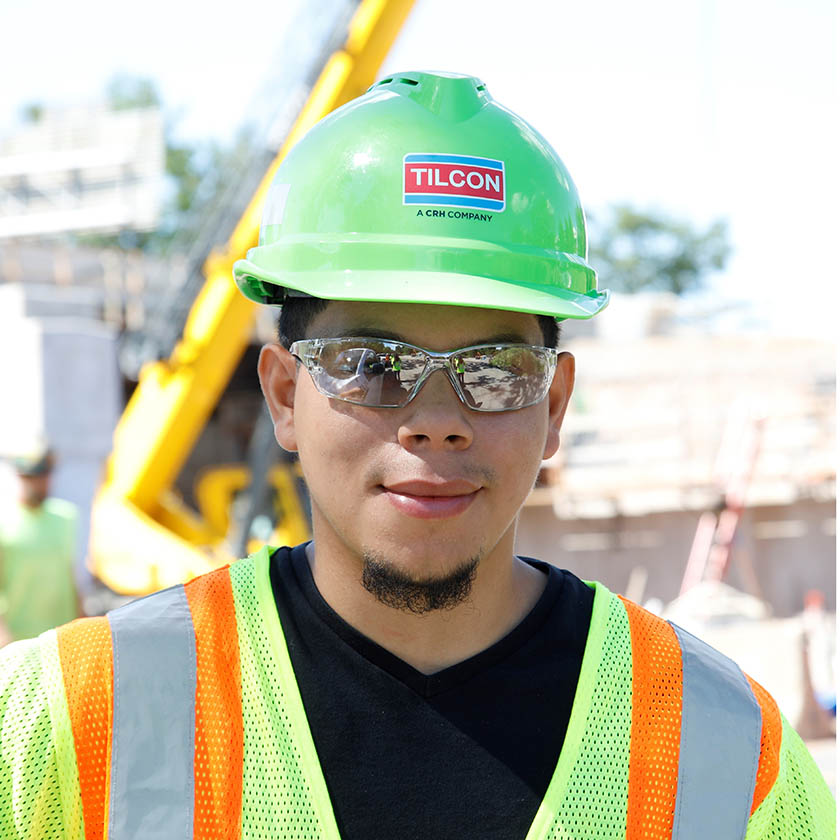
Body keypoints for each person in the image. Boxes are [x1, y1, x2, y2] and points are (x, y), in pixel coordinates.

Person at [0, 71, 833, 839]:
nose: (436, 423)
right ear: (285, 395)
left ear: (553, 407)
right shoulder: (67, 722)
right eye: (371, 364)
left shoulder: (727, 756)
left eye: (494, 373)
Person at [0, 442, 79, 648]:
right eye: (33, 478)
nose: (40, 484)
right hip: (18, 639)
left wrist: (81, 618)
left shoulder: (66, 517)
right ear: (20, 477)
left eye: (44, 476)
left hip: (61, 636)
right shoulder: (4, 521)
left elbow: (70, 575)